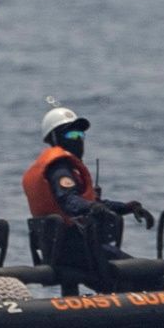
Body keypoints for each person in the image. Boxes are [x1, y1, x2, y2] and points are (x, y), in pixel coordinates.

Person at [19, 106, 141, 292]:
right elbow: (69, 201)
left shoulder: (66, 168)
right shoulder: (59, 169)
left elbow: (90, 203)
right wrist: (92, 208)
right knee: (146, 274)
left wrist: (126, 208)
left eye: (80, 136)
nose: (78, 141)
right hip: (73, 250)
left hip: (71, 247)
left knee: (126, 282)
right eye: (71, 136)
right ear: (54, 139)